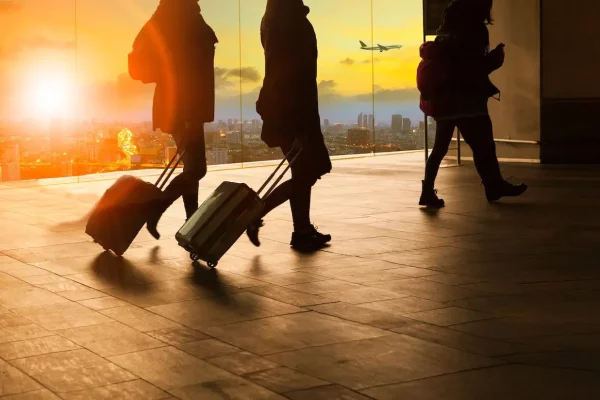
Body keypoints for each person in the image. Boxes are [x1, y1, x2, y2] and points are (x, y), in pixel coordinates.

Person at [417, 0, 527, 208]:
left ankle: (427, 191)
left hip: (445, 100)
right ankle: (493, 185)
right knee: (483, 145)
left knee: (440, 148)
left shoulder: (447, 29)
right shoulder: (475, 29)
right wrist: (495, 59)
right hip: (468, 100)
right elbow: (474, 67)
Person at [246, 0, 332, 252]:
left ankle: (302, 230)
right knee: (305, 172)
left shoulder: (273, 20)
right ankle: (257, 212)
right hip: (294, 110)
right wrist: (300, 125)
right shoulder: (291, 22)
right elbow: (295, 75)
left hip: (283, 107)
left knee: (302, 172)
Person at [136, 0, 218, 239]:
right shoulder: (183, 19)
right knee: (197, 168)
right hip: (185, 108)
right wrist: (193, 116)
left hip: (182, 106)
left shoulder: (173, 17)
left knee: (192, 167)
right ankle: (157, 208)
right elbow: (189, 71)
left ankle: (191, 223)